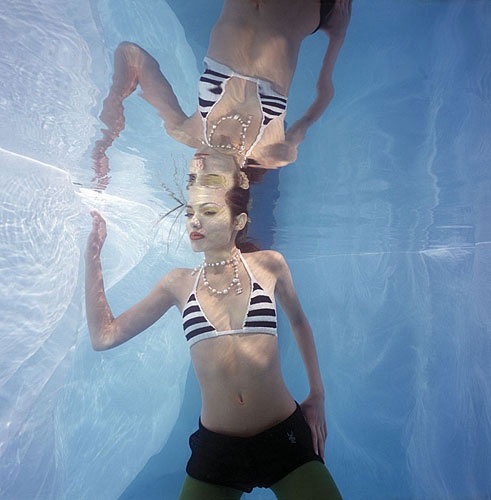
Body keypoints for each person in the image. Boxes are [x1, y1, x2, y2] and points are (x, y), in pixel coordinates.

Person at [85, 180, 342, 498]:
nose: (195, 221)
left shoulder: (269, 264)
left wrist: (317, 394)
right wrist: (92, 257)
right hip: (218, 450)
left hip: (284, 435)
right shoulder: (177, 283)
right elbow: (104, 336)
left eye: (208, 212)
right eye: (189, 213)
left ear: (239, 221)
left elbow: (300, 322)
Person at [91, 0, 352, 181]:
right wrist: (338, 33)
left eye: (192, 179)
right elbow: (325, 93)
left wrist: (114, 104)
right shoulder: (273, 153)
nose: (197, 167)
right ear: (241, 183)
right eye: (210, 180)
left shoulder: (186, 131)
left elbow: (132, 55)